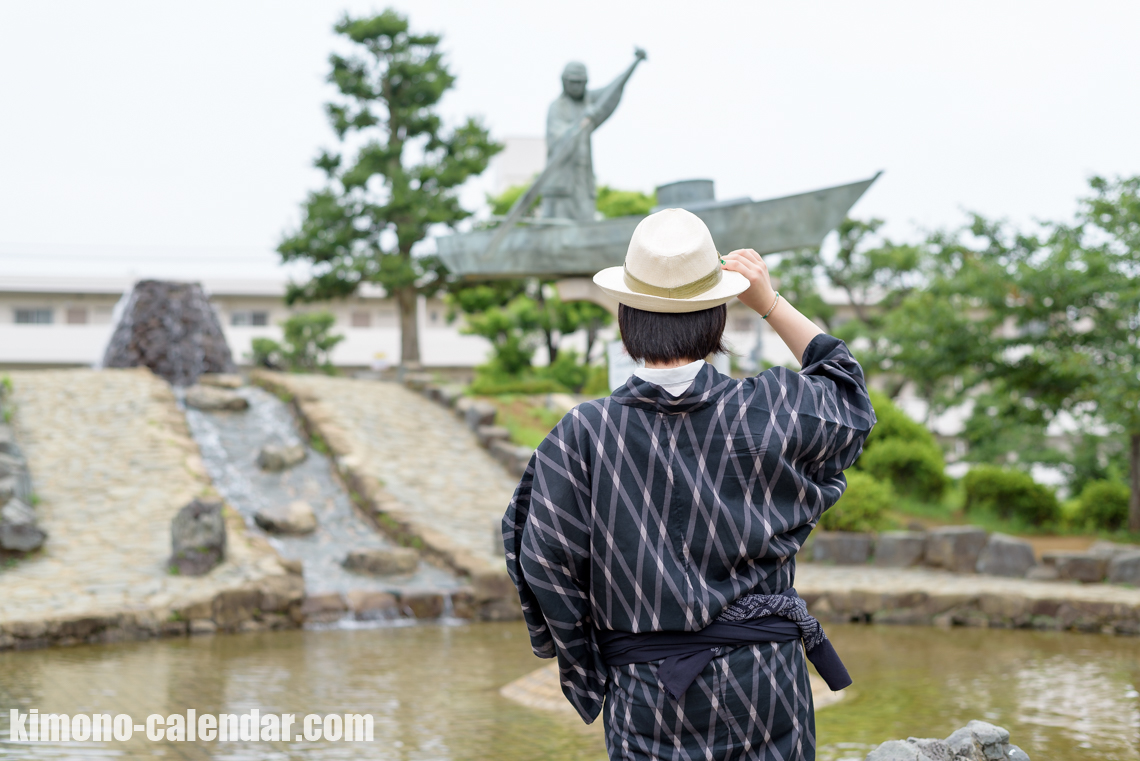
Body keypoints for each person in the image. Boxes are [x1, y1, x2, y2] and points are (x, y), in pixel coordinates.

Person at [502, 208, 875, 760]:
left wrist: (590, 665)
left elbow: (540, 559)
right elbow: (848, 395)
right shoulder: (772, 409)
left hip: (646, 692)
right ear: (717, 319)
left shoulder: (584, 432)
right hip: (765, 686)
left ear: (626, 318)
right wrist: (769, 302)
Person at [542, 53, 644, 222]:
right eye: (572, 82)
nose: (576, 86)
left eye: (580, 82)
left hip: (583, 177)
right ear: (564, 81)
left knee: (586, 219)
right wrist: (581, 120)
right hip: (562, 182)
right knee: (561, 225)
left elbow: (611, 91)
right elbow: (557, 140)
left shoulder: (588, 101)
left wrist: (634, 64)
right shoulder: (557, 107)